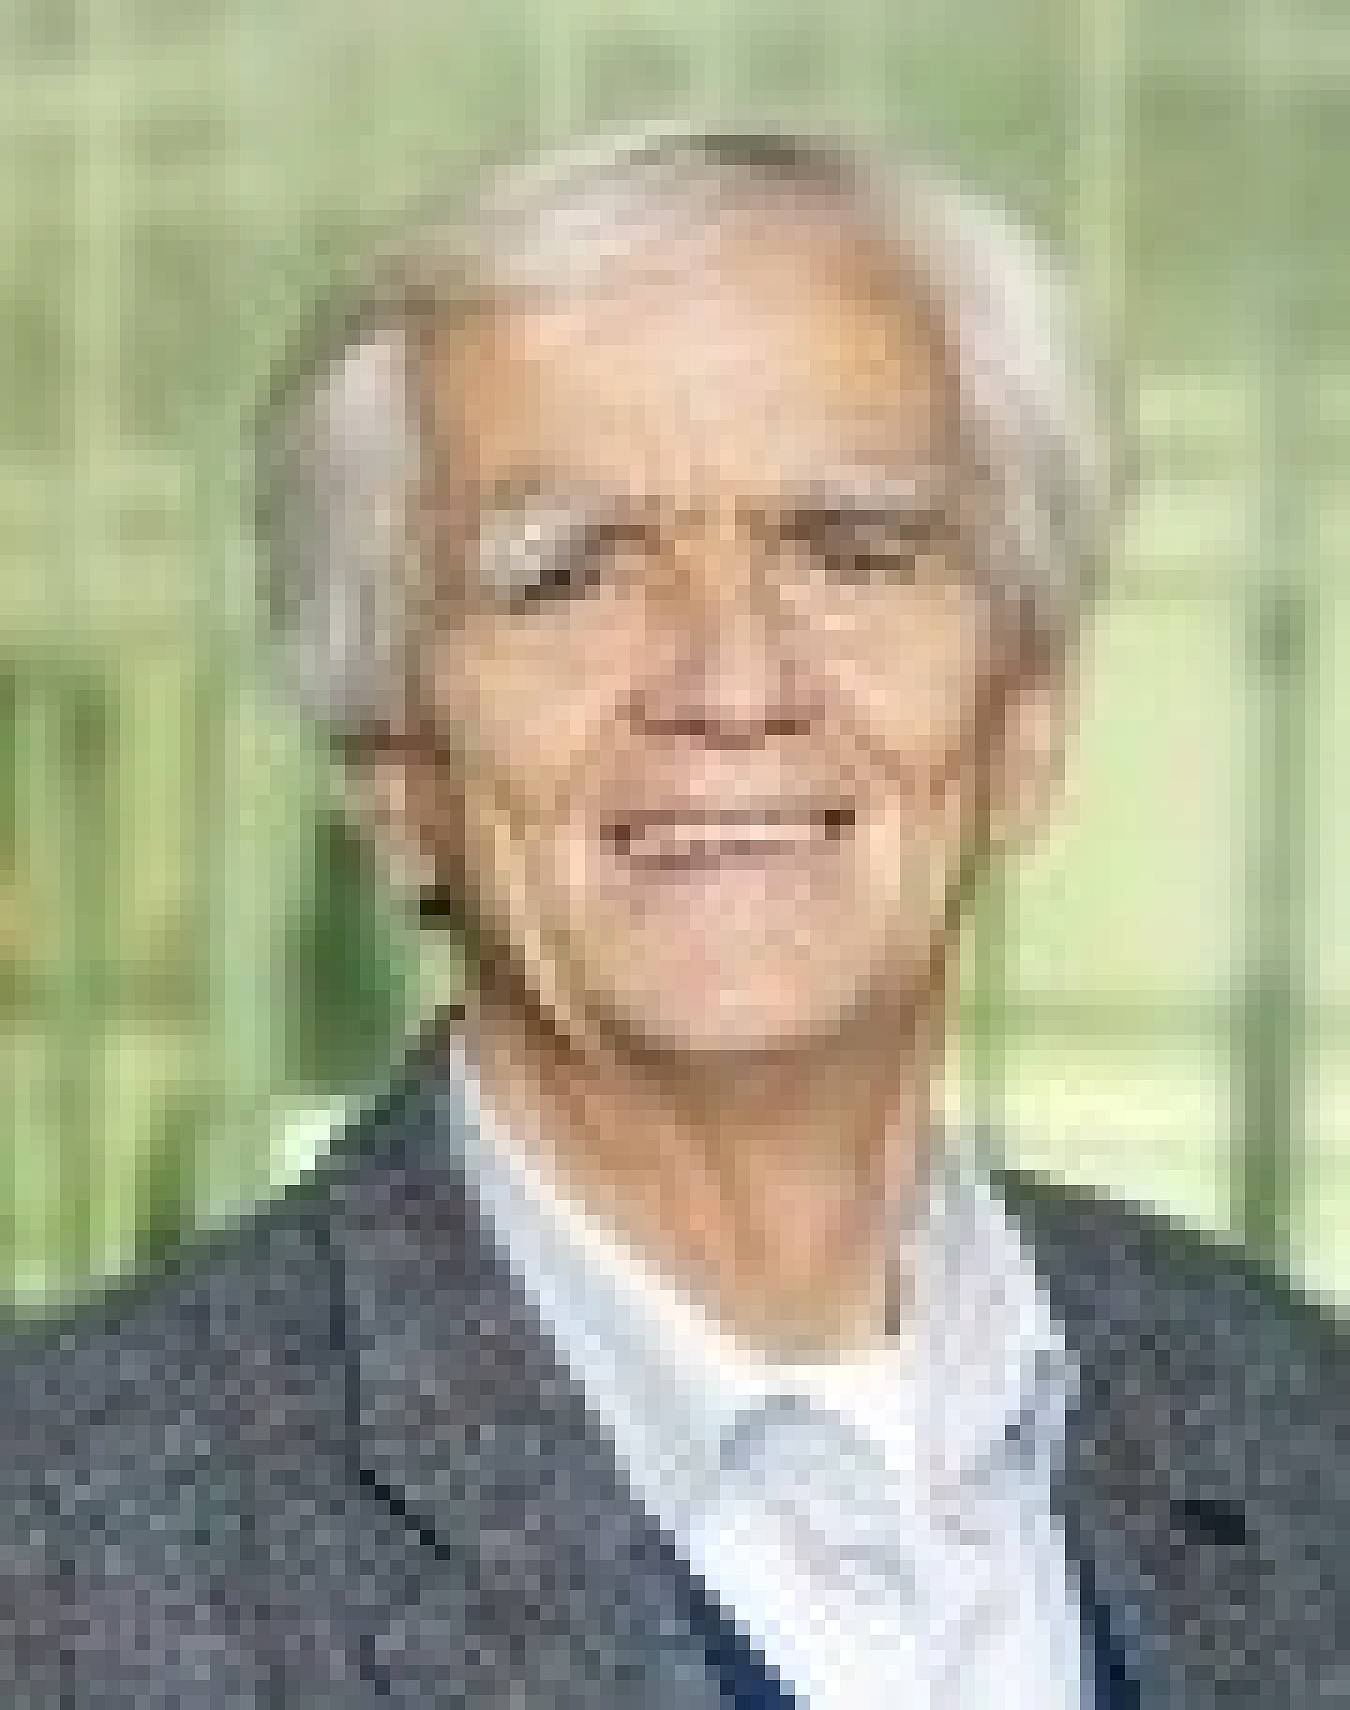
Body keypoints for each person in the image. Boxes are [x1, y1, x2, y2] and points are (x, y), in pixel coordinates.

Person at [3, 124, 1345, 1709]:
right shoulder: (57, 1545)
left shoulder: (1290, 1416)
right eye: (568, 574)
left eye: (849, 551)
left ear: (1023, 725)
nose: (730, 680)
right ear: (397, 779)